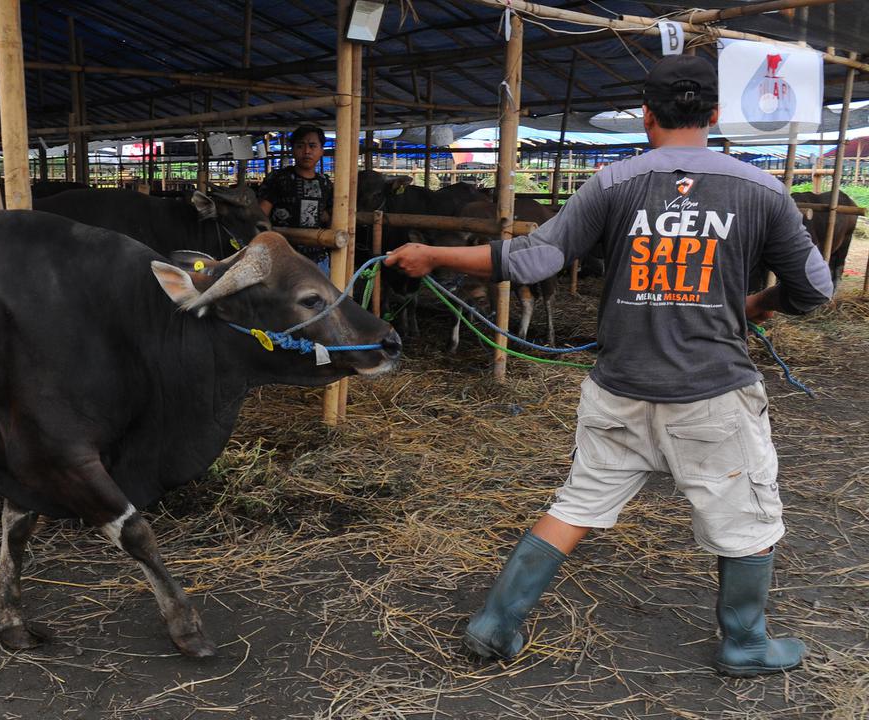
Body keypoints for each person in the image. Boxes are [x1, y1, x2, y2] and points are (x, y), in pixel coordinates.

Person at [386, 55, 832, 677]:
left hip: (618, 387)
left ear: (645, 115)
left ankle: (495, 623)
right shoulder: (762, 190)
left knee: (577, 505)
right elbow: (816, 288)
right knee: (747, 517)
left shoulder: (612, 183)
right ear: (716, 115)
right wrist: (759, 302)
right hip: (712, 394)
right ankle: (746, 644)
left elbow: (535, 259)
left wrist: (434, 253)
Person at [258, 125, 335, 272]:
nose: (307, 151)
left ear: (321, 151)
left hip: (318, 260)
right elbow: (261, 216)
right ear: (292, 149)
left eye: (312, 146)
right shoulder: (278, 179)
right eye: (300, 146)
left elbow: (332, 218)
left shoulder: (325, 183)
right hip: (281, 258)